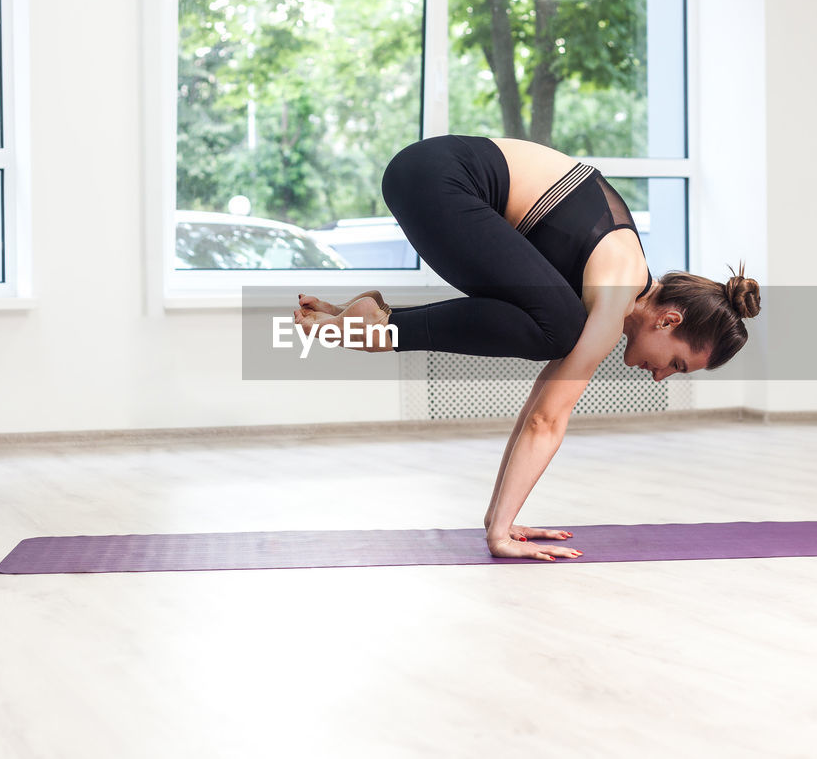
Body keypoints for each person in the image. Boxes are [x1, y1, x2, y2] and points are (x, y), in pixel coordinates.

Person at [294, 135, 761, 562]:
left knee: (559, 327)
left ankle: (374, 321)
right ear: (669, 319)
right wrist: (500, 536)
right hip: (438, 179)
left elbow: (539, 407)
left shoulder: (610, 284)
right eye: (677, 364)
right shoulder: (617, 288)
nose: (661, 377)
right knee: (561, 330)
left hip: (427, 175)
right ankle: (383, 327)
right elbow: (547, 420)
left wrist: (499, 519)